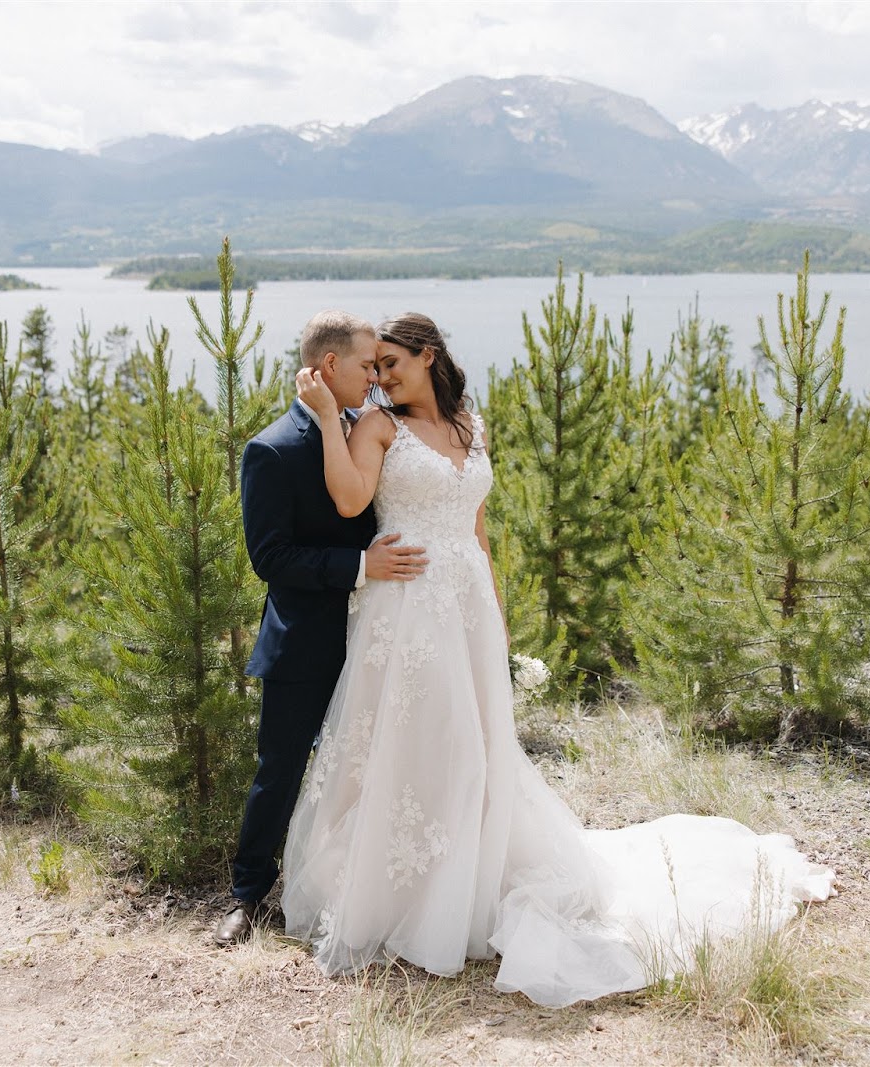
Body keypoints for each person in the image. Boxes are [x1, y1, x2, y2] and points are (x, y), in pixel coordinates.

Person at [280, 312, 835, 1007]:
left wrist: (498, 615)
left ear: (428, 357)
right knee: (421, 744)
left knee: (481, 748)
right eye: (377, 366)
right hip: (408, 611)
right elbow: (352, 497)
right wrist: (331, 417)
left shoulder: (472, 428)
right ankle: (412, 896)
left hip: (468, 607)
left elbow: (477, 530)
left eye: (392, 364)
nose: (382, 377)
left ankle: (470, 880)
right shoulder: (376, 427)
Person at [215, 311, 430, 947]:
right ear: (329, 366)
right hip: (305, 641)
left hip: (383, 634)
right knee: (279, 769)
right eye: (368, 366)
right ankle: (248, 895)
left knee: (376, 768)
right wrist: (361, 566)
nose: (377, 379)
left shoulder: (374, 432)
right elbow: (270, 559)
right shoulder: (272, 449)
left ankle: (359, 887)